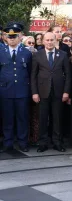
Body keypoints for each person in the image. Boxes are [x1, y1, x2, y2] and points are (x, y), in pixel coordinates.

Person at [31, 32, 71, 152]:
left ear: (55, 41)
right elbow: (33, 75)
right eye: (47, 40)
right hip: (42, 92)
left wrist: (66, 92)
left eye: (51, 40)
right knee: (43, 118)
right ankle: (42, 142)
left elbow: (68, 75)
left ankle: (57, 142)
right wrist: (34, 92)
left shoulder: (63, 55)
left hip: (59, 92)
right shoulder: (37, 55)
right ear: (43, 41)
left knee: (57, 118)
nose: (49, 42)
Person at [0, 24, 32, 152]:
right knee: (7, 118)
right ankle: (8, 143)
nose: (12, 39)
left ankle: (22, 142)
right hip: (5, 91)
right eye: (9, 37)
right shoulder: (1, 52)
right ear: (6, 38)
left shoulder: (27, 52)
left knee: (22, 118)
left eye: (14, 36)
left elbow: (30, 72)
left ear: (20, 37)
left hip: (22, 91)